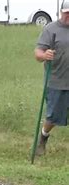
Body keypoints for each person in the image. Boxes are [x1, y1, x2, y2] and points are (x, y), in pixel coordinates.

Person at [34, 0, 69, 155]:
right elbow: (38, 53)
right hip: (56, 81)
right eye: (67, 13)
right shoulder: (51, 29)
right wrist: (45, 55)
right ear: (62, 12)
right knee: (53, 117)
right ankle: (43, 138)